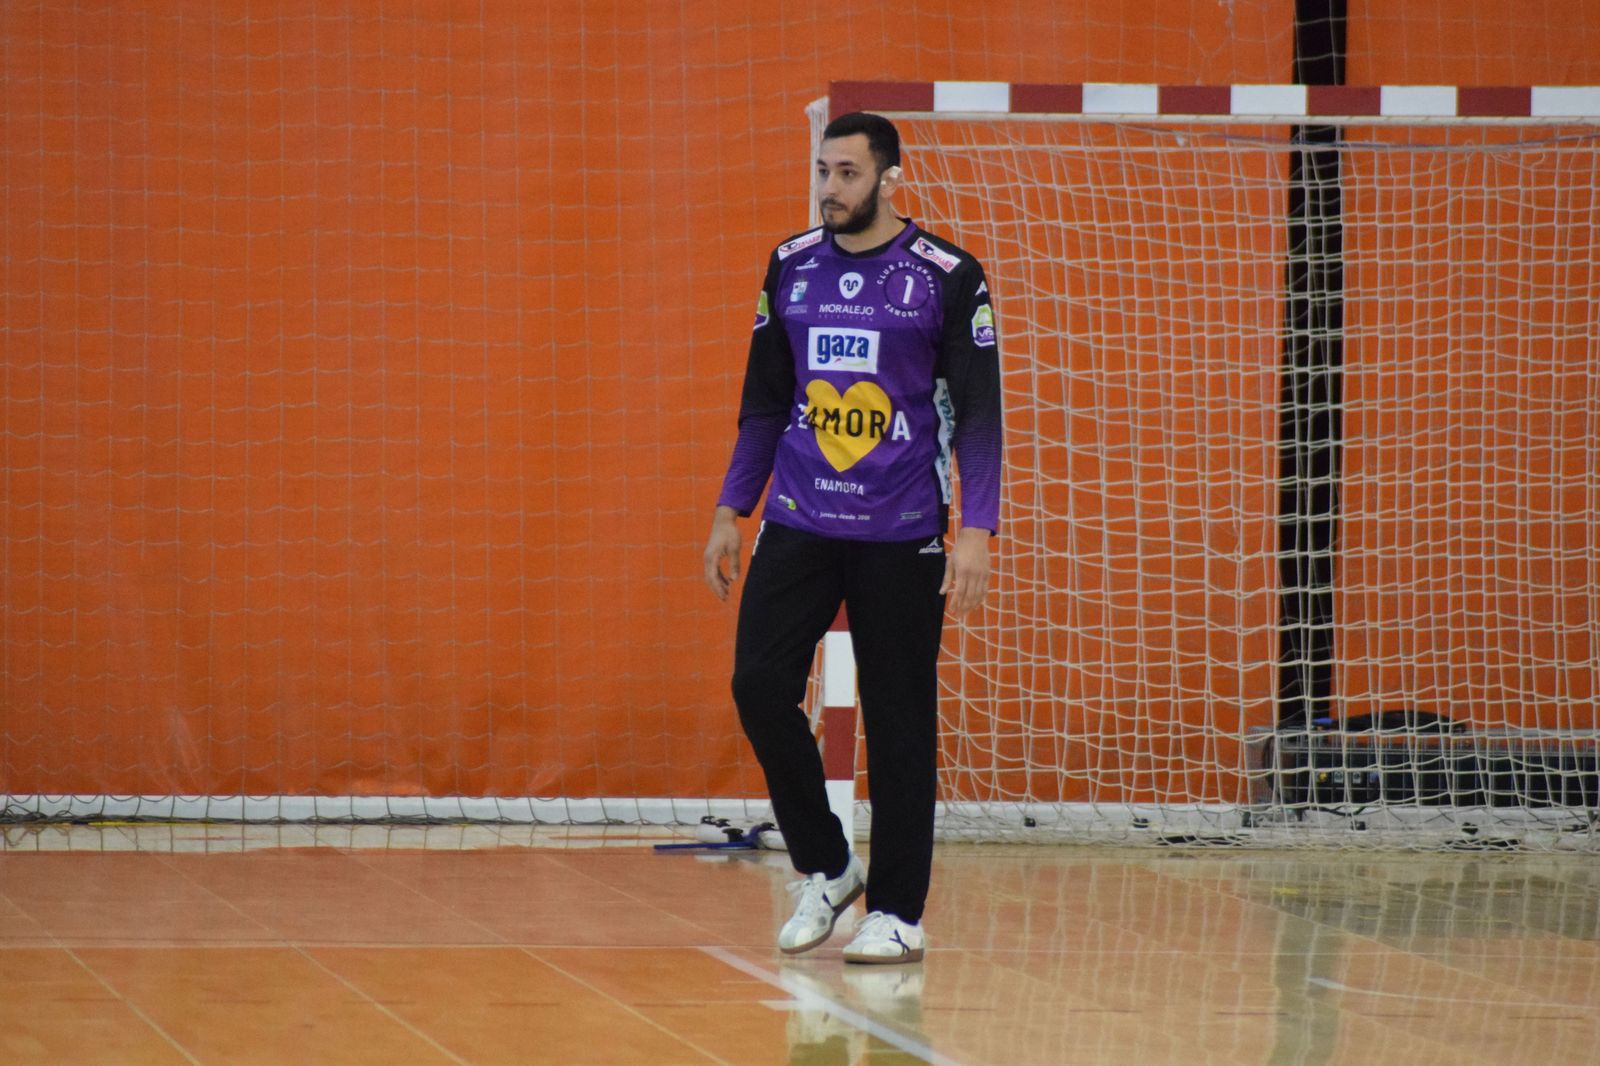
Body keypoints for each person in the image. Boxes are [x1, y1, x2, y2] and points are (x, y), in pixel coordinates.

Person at [703, 112, 1002, 965]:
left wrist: (974, 528)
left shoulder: (947, 276)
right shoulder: (791, 267)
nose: (829, 190)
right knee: (758, 684)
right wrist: (733, 508)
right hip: (799, 521)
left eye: (846, 174)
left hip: (903, 529)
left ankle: (898, 912)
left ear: (889, 177)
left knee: (902, 719)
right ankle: (830, 866)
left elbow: (979, 417)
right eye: (823, 173)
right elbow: (764, 403)